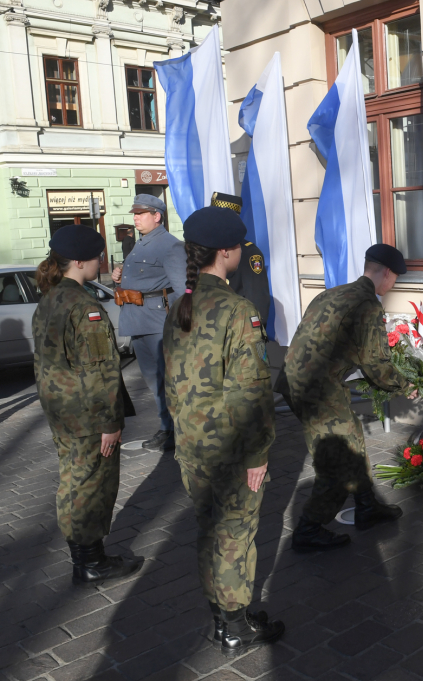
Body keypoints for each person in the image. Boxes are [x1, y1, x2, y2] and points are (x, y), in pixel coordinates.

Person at [162, 206, 283, 656]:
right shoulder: (238, 310)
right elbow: (251, 391)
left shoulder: (180, 306)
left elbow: (169, 380)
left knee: (209, 530)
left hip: (191, 445)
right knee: (235, 535)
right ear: (228, 252)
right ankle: (235, 627)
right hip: (231, 448)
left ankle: (223, 616)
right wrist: (258, 454)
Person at [279, 244, 411, 552]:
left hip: (294, 382)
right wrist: (404, 384)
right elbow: (376, 365)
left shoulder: (331, 293)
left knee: (352, 443)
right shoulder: (368, 305)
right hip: (319, 391)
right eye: (395, 279)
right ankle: (309, 527)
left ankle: (367, 506)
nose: (393, 285)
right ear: (387, 273)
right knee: (338, 461)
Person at [33, 224, 143, 586]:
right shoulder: (84, 305)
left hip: (61, 409)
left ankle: (84, 557)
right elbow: (99, 371)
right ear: (80, 261)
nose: (101, 261)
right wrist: (110, 423)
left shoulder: (49, 299)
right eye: (98, 256)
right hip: (86, 414)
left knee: (72, 480)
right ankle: (91, 561)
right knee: (92, 484)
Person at [111, 194, 186, 452]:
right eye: (135, 213)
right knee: (154, 382)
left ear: (157, 216)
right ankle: (167, 427)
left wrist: (177, 325)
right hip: (137, 320)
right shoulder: (141, 244)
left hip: (158, 323)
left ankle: (176, 430)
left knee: (167, 381)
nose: (135, 218)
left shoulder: (170, 245)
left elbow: (182, 290)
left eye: (141, 213)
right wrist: (118, 277)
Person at [209, 191, 271, 323]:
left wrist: (255, 335)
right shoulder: (205, 248)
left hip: (237, 328)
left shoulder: (249, 253)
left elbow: (257, 299)